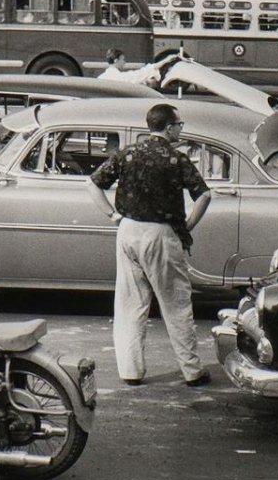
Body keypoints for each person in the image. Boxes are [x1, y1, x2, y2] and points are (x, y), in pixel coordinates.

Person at [87, 104, 212, 388]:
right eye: (179, 124)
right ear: (168, 127)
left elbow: (92, 184)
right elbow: (204, 195)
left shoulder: (127, 154)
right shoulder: (176, 159)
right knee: (176, 305)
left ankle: (131, 371)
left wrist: (112, 214)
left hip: (128, 230)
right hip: (161, 235)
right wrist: (188, 225)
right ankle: (192, 371)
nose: (181, 128)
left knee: (130, 304)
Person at [98, 48, 180, 87]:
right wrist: (165, 60)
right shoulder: (119, 76)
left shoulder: (101, 77)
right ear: (116, 60)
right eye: (123, 59)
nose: (124, 62)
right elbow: (141, 73)